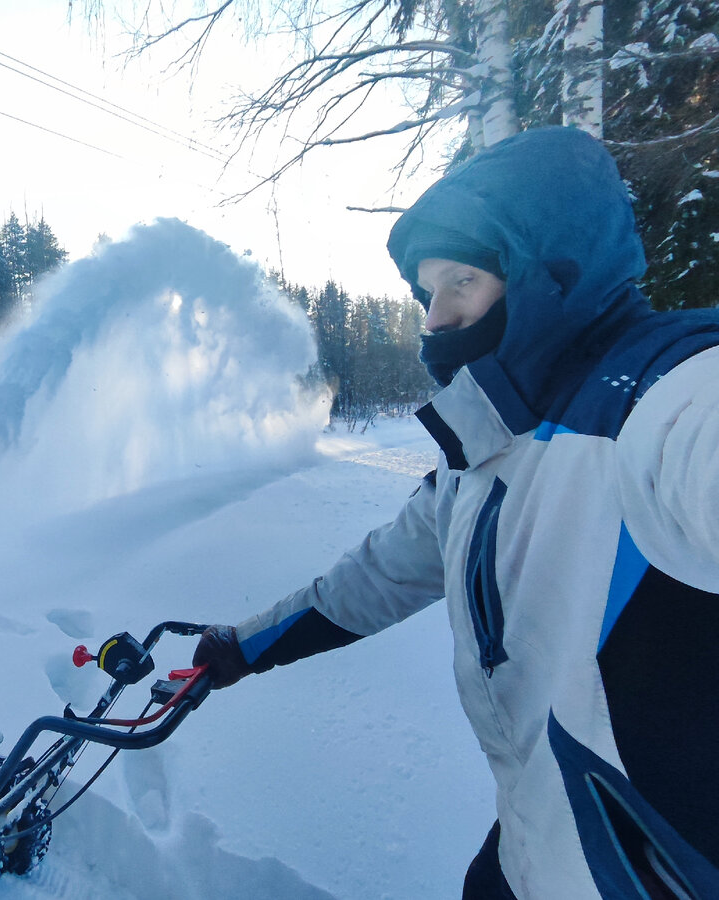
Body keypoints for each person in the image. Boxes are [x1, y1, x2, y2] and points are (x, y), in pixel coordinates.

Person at [193, 126, 719, 899]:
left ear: (550, 275)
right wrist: (245, 646)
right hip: (529, 848)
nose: (434, 318)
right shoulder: (481, 453)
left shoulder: (660, 400)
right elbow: (373, 579)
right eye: (426, 292)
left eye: (463, 281)